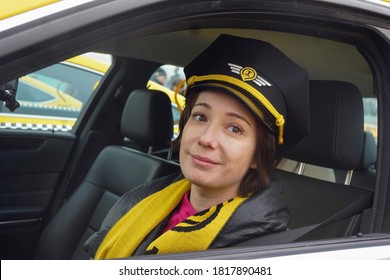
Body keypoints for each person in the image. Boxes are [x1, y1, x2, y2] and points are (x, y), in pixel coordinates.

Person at [84, 34, 310, 259]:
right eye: (201, 117)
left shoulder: (262, 253)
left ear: (258, 155)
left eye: (235, 129)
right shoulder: (141, 200)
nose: (206, 139)